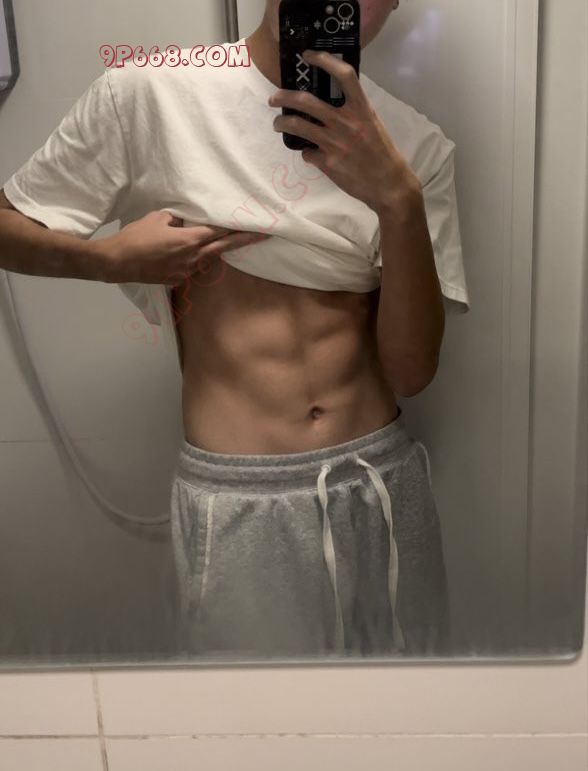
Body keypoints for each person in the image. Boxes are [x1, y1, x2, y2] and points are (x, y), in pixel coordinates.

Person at [0, 0, 470, 659]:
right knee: (250, 715)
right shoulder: (152, 95)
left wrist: (397, 200)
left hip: (380, 485)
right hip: (240, 494)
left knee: (411, 713)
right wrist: (110, 261)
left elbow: (412, 372)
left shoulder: (414, 149)